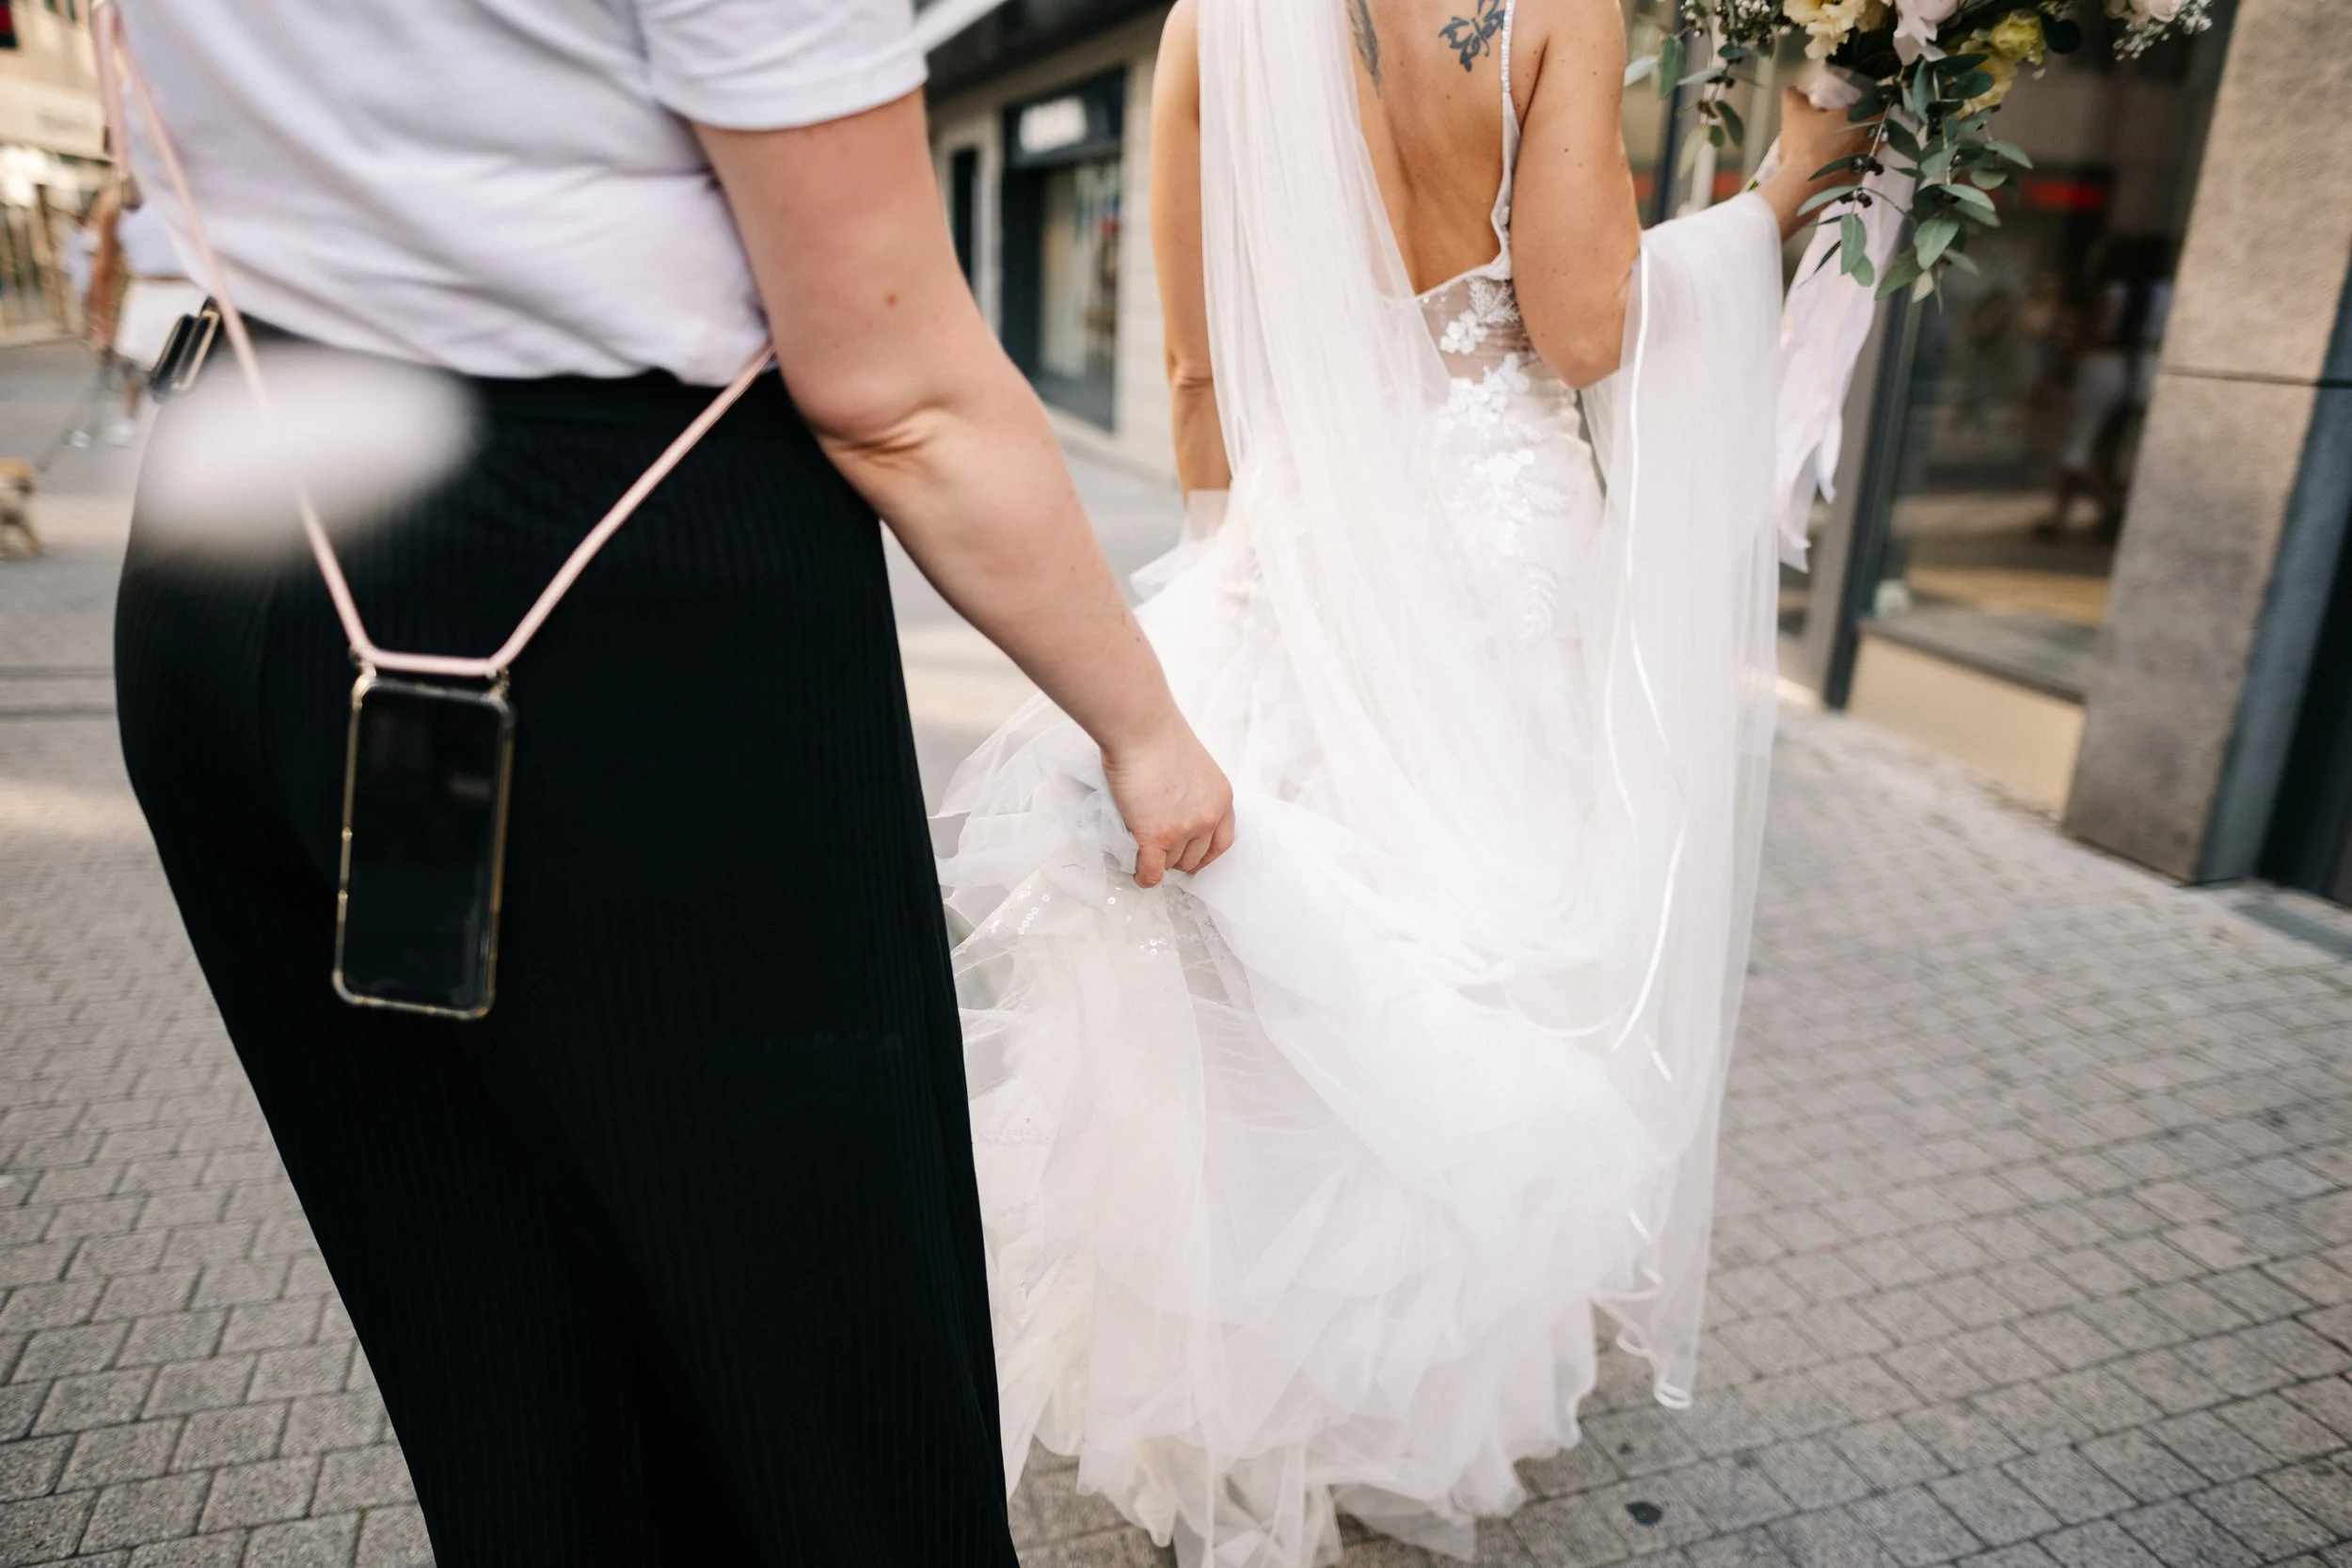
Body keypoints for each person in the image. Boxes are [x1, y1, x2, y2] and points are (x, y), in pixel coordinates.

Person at [104, 0, 1232, 1562]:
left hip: (235, 550)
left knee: (500, 1373)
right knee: (840, 1408)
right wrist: (1146, 726)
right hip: (619, 593)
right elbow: (899, 396)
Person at [937, 0, 1864, 1561]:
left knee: (1293, 977)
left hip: (1295, 538)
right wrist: (1782, 187)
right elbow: (1583, 329)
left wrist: (1235, 570)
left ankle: (1261, 1372)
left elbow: (1195, 364)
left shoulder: (1209, 22)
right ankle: (1418, 1384)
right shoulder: (1555, 10)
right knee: (1476, 951)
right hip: (1498, 552)